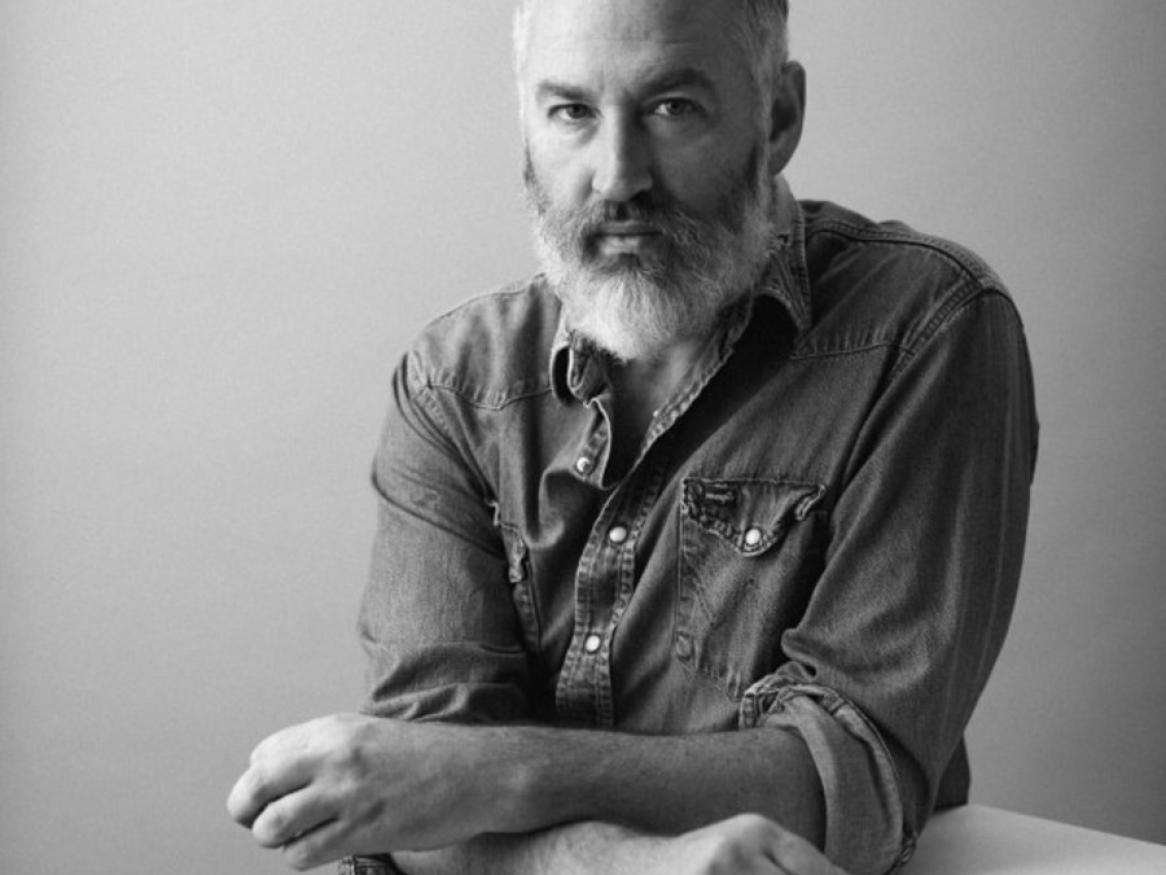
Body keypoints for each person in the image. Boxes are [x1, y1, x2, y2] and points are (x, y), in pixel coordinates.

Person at [227, 0, 1038, 872]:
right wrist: (626, 864)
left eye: (670, 108)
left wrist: (494, 775)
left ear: (779, 117)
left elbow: (851, 779)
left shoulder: (922, 330)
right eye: (571, 111)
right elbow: (415, 816)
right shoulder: (456, 382)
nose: (617, 177)